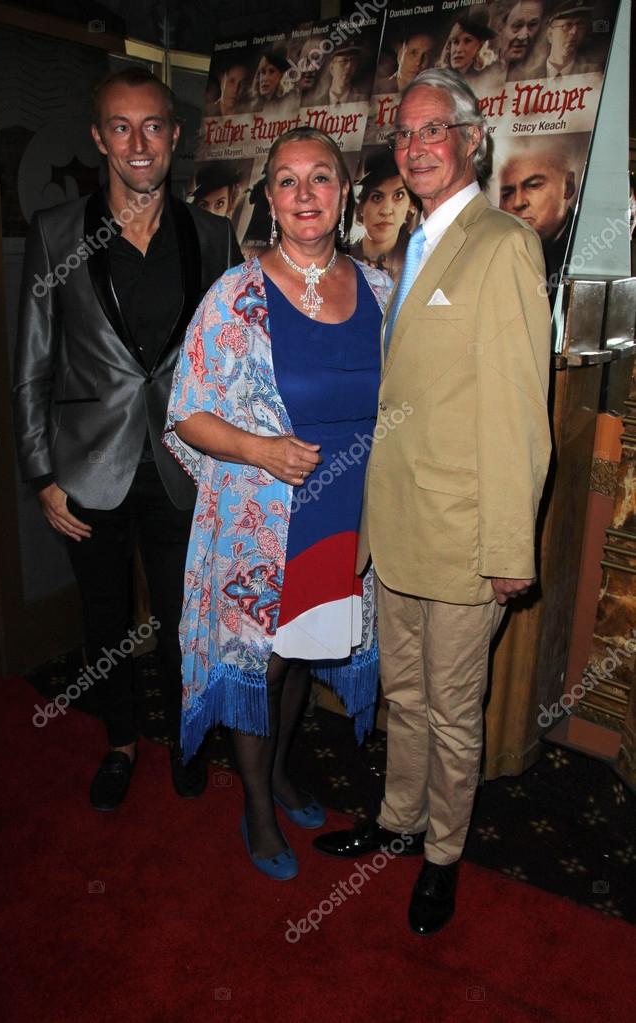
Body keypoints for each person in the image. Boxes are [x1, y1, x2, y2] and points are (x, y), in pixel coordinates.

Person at [314, 69, 552, 936]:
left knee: (453, 713)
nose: (415, 148)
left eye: (433, 130)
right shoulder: (409, 247)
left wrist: (508, 549)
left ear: (471, 139)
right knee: (404, 695)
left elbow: (521, 414)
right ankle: (398, 820)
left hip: (463, 538)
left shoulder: (503, 245)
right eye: (404, 134)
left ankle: (443, 855)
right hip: (399, 528)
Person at [163, 127, 393, 881]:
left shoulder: (381, 290)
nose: (304, 194)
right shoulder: (235, 295)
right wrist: (260, 450)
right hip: (265, 522)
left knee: (301, 657)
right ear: (268, 198)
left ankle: (283, 771)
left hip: (346, 519)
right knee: (261, 664)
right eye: (287, 181)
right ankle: (257, 805)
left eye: (320, 177)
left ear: (344, 191)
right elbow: (186, 414)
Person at [12, 68, 242, 812]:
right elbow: (31, 364)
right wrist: (41, 474)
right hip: (87, 469)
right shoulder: (56, 232)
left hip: (185, 466)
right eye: (121, 126)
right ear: (98, 137)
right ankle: (119, 742)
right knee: (104, 620)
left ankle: (184, 738)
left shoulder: (212, 235)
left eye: (153, 126)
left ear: (175, 136)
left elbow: (231, 360)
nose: (138, 142)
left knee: (184, 621)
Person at [499, 142, 577, 301]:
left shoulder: (589, 247)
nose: (518, 202)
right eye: (507, 193)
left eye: (533, 185)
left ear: (568, 186)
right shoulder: (495, 249)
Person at [350, 149, 417, 280]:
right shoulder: (343, 257)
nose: (386, 210)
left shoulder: (419, 258)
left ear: (410, 205)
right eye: (377, 197)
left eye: (398, 196)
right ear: (361, 206)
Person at [478, 0, 545, 86]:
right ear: (499, 27)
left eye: (532, 25)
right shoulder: (480, 70)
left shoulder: (544, 71)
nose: (523, 36)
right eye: (517, 25)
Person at [528, 0, 600, 77]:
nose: (574, 31)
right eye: (567, 25)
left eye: (580, 25)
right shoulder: (528, 76)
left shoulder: (593, 74)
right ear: (550, 34)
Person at [436, 11, 498, 83]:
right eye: (455, 42)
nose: (459, 49)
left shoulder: (488, 78)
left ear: (480, 46)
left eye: (467, 41)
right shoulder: (438, 79)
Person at [249, 50, 298, 114]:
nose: (265, 79)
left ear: (282, 75)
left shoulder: (291, 102)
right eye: (263, 72)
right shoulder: (254, 107)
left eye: (271, 71)